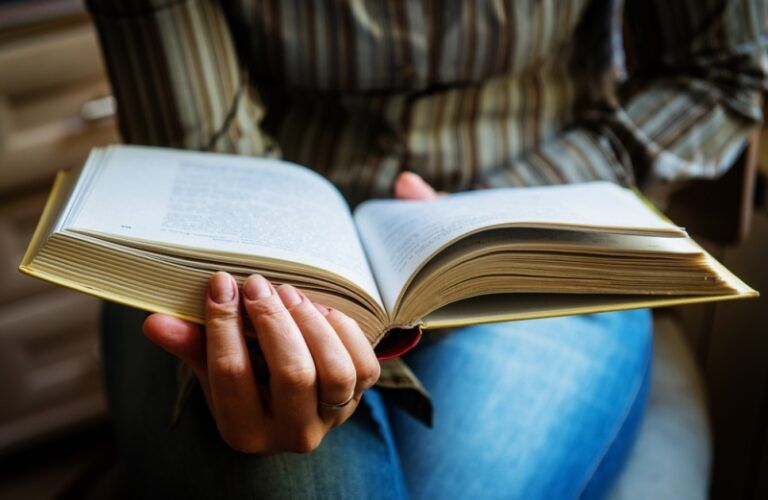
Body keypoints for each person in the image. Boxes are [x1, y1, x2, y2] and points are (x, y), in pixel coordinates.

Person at [89, 0, 767, 498]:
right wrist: (274, 285)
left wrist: (492, 215)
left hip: (541, 228)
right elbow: (205, 145)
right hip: (243, 236)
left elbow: (718, 68)